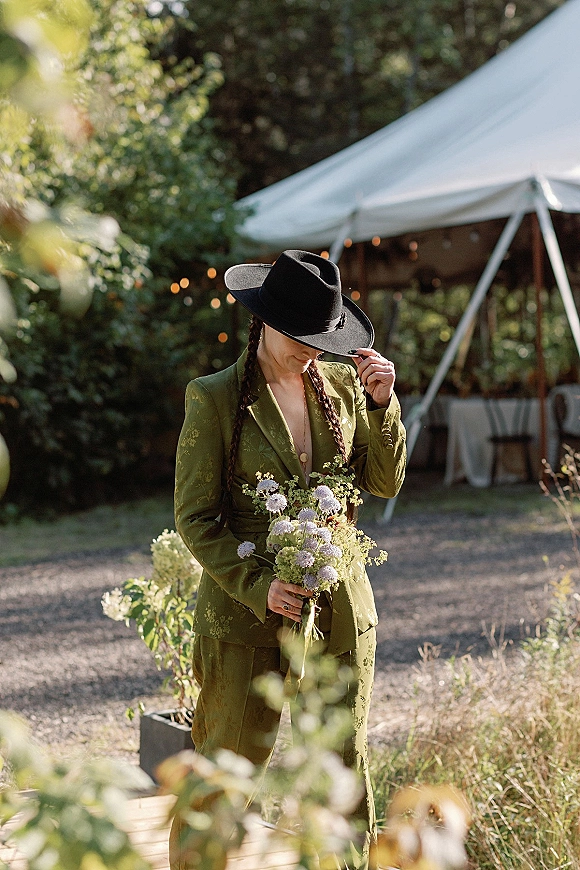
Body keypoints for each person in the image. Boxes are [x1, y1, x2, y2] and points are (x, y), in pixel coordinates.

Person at [170, 249, 406, 868]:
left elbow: (382, 484)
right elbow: (195, 518)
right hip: (244, 616)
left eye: (320, 338)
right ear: (263, 320)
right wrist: (258, 586)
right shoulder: (215, 398)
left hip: (339, 609)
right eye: (299, 336)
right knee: (227, 772)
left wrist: (384, 407)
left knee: (340, 765)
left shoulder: (348, 390)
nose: (311, 350)